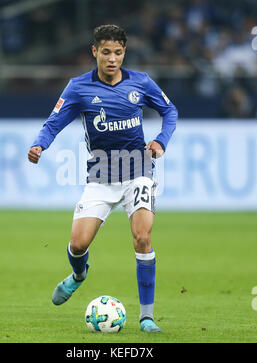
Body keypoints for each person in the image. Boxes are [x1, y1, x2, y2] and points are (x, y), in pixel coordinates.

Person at [28, 24, 178, 333]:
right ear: (95, 52)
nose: (112, 59)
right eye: (106, 52)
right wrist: (39, 143)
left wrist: (161, 140)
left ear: (124, 53)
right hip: (100, 177)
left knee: (142, 237)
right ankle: (79, 275)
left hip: (138, 170)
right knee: (78, 244)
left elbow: (170, 111)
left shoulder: (142, 82)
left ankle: (147, 317)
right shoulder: (78, 88)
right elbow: (54, 121)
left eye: (118, 53)